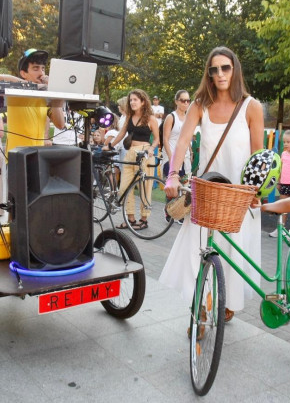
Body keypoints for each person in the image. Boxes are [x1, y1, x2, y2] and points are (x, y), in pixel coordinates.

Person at [162, 46, 265, 321]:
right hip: (207, 191)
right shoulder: (200, 105)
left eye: (226, 68)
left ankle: (227, 300)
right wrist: (173, 174)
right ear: (209, 74)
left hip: (239, 196)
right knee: (197, 251)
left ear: (235, 70)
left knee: (233, 251)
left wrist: (258, 191)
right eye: (214, 69)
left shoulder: (251, 107)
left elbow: (259, 156)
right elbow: (182, 141)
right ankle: (201, 308)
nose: (220, 74)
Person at [105, 89, 160, 230]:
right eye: (131, 100)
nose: (132, 102)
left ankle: (143, 219)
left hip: (144, 155)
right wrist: (110, 145)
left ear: (143, 102)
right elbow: (122, 133)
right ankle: (130, 219)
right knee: (124, 188)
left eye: (135, 99)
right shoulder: (129, 117)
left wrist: (151, 148)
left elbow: (157, 139)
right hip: (130, 154)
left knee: (144, 188)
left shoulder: (151, 119)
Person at [0, 49, 66, 151]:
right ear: (23, 74)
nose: (41, 73)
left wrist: (57, 101)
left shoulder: (45, 96)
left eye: (43, 69)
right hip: (16, 155)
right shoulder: (17, 90)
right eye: (36, 69)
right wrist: (36, 86)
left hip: (37, 155)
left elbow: (60, 125)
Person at [162, 89, 191, 180]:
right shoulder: (171, 117)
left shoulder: (189, 118)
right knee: (173, 190)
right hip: (172, 155)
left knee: (185, 189)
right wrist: (171, 158)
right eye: (183, 100)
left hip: (185, 158)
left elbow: (187, 137)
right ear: (176, 102)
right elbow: (165, 139)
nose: (186, 103)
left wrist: (191, 152)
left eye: (188, 101)